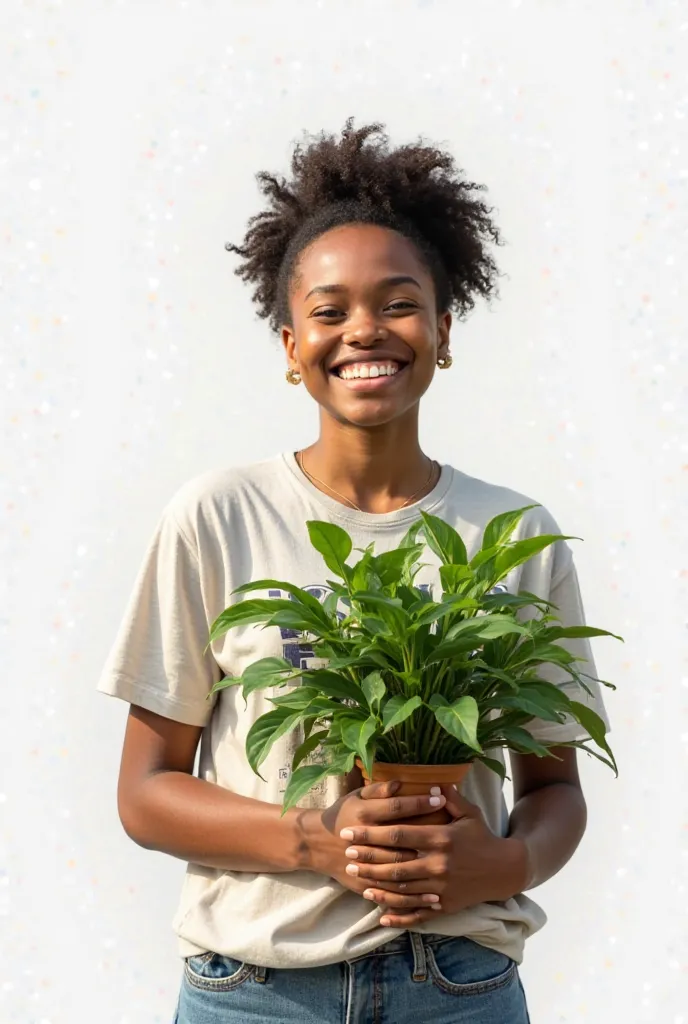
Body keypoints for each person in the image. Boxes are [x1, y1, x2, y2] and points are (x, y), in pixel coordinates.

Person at [98, 119, 610, 1024]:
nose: (365, 329)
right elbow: (145, 794)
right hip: (255, 993)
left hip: (460, 986)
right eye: (329, 311)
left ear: (445, 329)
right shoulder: (218, 517)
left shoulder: (512, 531)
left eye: (399, 302)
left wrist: (511, 861)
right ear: (291, 347)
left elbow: (554, 789)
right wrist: (325, 841)